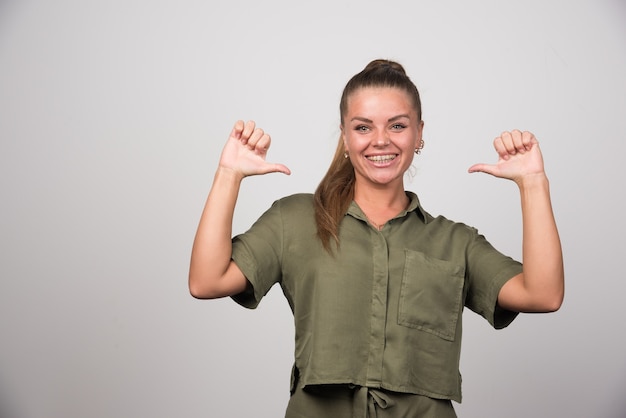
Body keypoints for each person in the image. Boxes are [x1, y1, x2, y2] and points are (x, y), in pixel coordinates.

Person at [188, 59, 564, 417]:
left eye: (397, 126)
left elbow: (543, 294)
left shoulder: (455, 242)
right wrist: (228, 174)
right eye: (363, 127)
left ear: (419, 133)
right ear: (346, 138)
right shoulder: (294, 219)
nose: (380, 140)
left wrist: (533, 183)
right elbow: (207, 281)